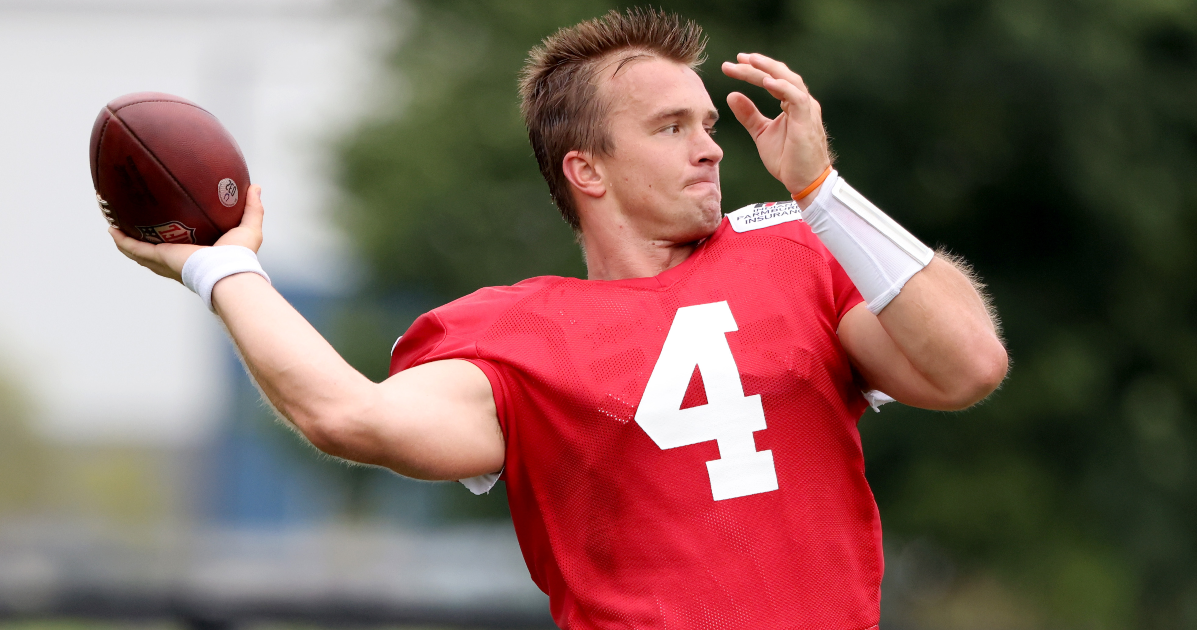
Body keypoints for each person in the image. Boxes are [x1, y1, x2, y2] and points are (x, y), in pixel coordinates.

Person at [111, 8, 1007, 629]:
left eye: (707, 124)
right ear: (588, 171)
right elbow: (348, 415)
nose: (708, 146)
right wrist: (222, 267)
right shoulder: (515, 335)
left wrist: (822, 189)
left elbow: (969, 364)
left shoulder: (796, 246)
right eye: (669, 128)